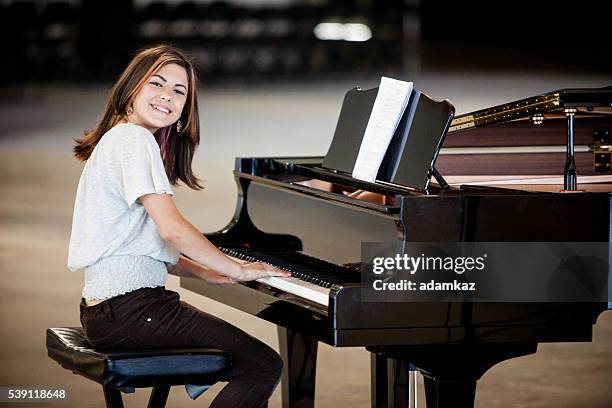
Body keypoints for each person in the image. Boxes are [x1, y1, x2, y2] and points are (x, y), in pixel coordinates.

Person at [67, 45, 290, 408]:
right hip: (132, 311)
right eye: (156, 84)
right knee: (262, 366)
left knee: (249, 364)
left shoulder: (123, 139)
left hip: (114, 311)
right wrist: (235, 267)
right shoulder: (133, 140)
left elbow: (141, 246)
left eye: (179, 91)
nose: (167, 96)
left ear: (185, 109)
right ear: (131, 90)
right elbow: (171, 229)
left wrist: (206, 272)